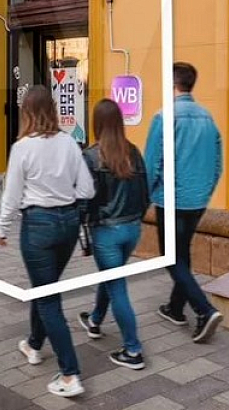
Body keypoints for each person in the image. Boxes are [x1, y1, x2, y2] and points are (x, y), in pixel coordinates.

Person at [0, 85, 95, 399]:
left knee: (48, 299)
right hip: (68, 225)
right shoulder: (69, 143)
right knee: (46, 286)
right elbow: (87, 189)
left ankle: (70, 374)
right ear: (52, 110)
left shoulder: (22, 147)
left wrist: (2, 228)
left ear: (26, 112)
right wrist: (65, 198)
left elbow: (11, 195)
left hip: (38, 225)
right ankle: (34, 344)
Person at [145, 61, 224, 343]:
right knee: (182, 252)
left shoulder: (164, 116)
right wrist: (206, 191)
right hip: (197, 200)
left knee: (171, 258)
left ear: (172, 84)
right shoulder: (207, 118)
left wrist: (143, 198)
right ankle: (175, 308)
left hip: (171, 200)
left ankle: (204, 310)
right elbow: (218, 164)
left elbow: (152, 164)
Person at [78, 99, 149, 370]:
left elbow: (84, 200)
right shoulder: (133, 152)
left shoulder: (91, 157)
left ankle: (133, 350)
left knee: (117, 286)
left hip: (106, 231)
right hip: (132, 229)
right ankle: (95, 320)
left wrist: (82, 228)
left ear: (96, 124)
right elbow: (145, 195)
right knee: (111, 276)